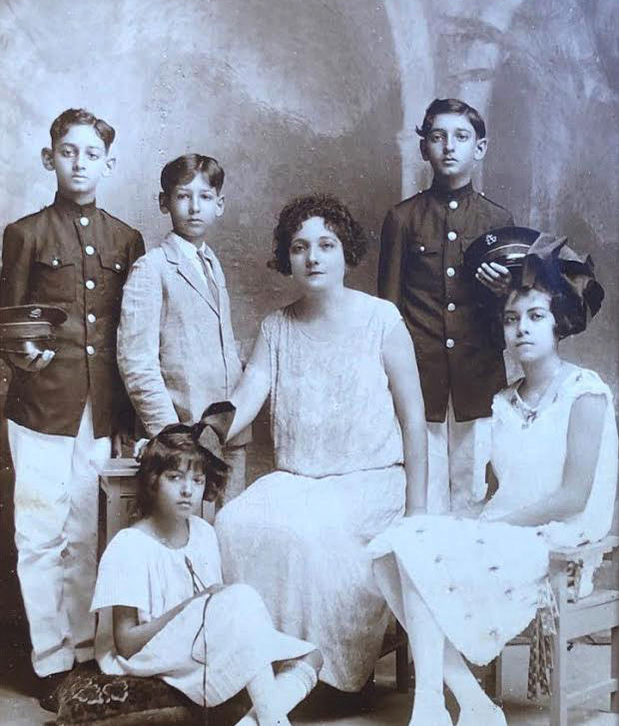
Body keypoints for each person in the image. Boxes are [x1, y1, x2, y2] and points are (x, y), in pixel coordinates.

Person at [369, 229, 617, 726]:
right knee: (398, 543)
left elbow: (572, 497)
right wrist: (464, 522)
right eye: (511, 320)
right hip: (510, 529)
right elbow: (497, 496)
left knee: (417, 553)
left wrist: (488, 529)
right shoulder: (502, 402)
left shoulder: (584, 392)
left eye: (535, 317)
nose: (522, 329)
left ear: (560, 324)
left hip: (561, 543)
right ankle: (460, 703)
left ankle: (439, 704)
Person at [215, 194, 428, 692]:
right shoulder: (276, 326)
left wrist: (417, 509)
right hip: (297, 479)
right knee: (233, 522)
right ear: (286, 258)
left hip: (371, 482)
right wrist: (204, 431)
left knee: (306, 536)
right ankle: (256, 663)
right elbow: (247, 394)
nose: (312, 257)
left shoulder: (382, 320)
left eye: (326, 245)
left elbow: (414, 419)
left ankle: (319, 671)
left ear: (344, 252)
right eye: (299, 247)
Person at [0, 108, 144, 707]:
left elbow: (131, 339)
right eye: (68, 152)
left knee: (87, 532)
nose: (79, 162)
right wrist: (24, 367)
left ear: (108, 163)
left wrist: (128, 423)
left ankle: (86, 650)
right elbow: (6, 326)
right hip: (41, 407)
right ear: (49, 158)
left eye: (91, 153)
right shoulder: (24, 234)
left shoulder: (125, 239)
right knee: (39, 533)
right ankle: (50, 658)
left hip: (100, 410)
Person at [91, 419, 321, 726]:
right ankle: (273, 720)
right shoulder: (129, 545)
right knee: (242, 599)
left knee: (312, 655)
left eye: (197, 481)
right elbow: (127, 644)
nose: (188, 491)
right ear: (153, 481)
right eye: (175, 478)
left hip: (196, 646)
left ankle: (261, 720)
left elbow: (216, 618)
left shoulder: (203, 533)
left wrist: (212, 608)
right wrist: (193, 605)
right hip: (150, 654)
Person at [378, 97, 515, 514]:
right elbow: (387, 310)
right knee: (423, 486)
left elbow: (512, 317)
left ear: (481, 147)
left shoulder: (498, 220)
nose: (449, 147)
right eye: (438, 137)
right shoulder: (403, 219)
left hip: (478, 374)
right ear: (424, 148)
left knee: (475, 487)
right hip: (420, 377)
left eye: (461, 136)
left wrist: (504, 291)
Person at [117, 153, 250, 505]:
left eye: (205, 197)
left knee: (229, 534)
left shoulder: (211, 262)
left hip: (227, 433)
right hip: (185, 436)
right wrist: (170, 436)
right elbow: (137, 362)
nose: (194, 207)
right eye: (182, 196)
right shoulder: (152, 268)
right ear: (164, 202)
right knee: (188, 533)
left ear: (219, 205)